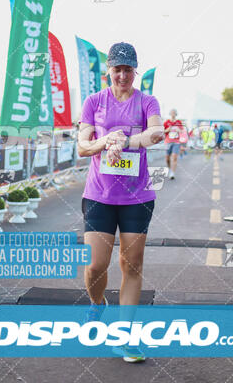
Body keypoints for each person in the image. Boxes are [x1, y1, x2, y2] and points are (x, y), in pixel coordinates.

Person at [77, 42, 164, 362]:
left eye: (129, 69)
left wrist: (126, 140)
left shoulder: (147, 101)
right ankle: (98, 304)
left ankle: (125, 338)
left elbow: (156, 133)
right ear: (108, 71)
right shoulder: (94, 102)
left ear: (135, 71)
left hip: (137, 196)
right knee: (96, 265)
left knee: (131, 265)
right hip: (99, 195)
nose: (123, 75)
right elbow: (83, 146)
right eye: (118, 69)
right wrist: (106, 141)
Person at [163, 109, 184, 178]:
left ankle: (172, 172)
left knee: (174, 157)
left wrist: (179, 130)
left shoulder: (178, 122)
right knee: (167, 158)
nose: (173, 114)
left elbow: (182, 131)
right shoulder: (166, 122)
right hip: (168, 142)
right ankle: (169, 168)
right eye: (172, 113)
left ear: (176, 114)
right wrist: (168, 129)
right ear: (170, 114)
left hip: (176, 142)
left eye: (174, 113)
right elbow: (163, 132)